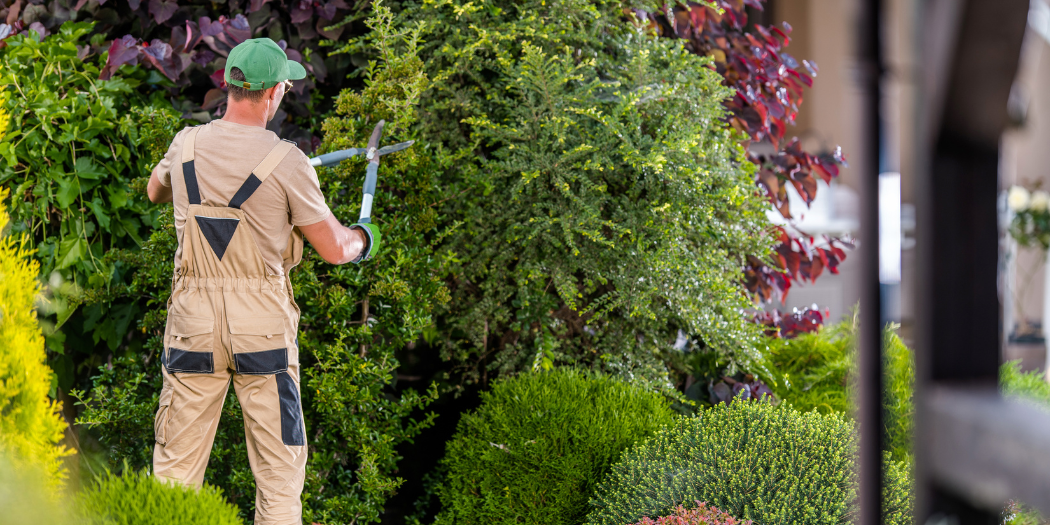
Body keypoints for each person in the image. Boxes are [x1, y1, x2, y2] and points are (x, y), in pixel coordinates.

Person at [145, 38, 380, 525]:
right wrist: (363, 238)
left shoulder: (184, 144)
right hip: (264, 331)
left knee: (173, 473)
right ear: (273, 92)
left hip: (193, 325)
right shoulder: (288, 162)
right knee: (278, 478)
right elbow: (335, 250)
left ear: (229, 85)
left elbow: (154, 190)